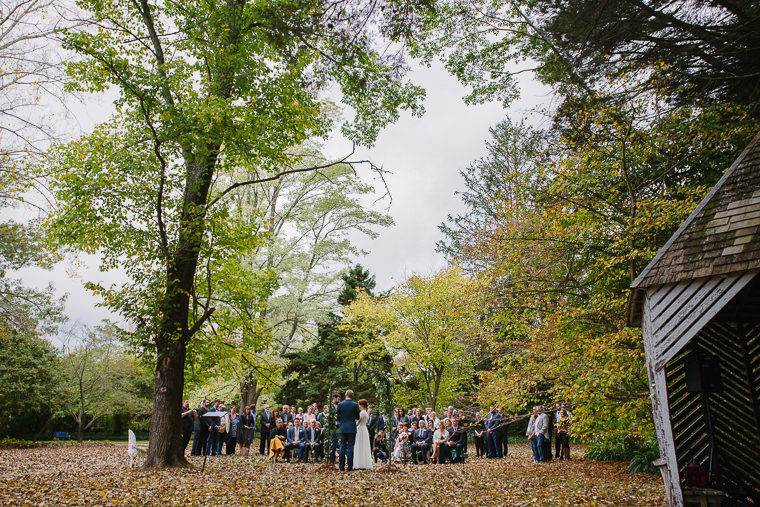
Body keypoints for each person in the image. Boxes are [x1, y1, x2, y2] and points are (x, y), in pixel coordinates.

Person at [336, 390, 360, 471]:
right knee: (350, 447)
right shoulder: (355, 405)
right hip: (352, 428)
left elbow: (336, 416)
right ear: (352, 396)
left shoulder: (340, 404)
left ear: (345, 395)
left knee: (342, 447)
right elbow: (357, 417)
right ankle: (350, 467)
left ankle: (341, 466)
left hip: (342, 427)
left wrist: (341, 419)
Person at [353, 399, 372, 470]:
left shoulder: (362, 413)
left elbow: (359, 422)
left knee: (360, 445)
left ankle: (360, 463)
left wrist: (353, 425)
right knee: (363, 445)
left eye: (359, 405)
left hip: (361, 429)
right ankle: (363, 462)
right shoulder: (365, 412)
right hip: (364, 429)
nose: (358, 406)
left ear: (362, 405)